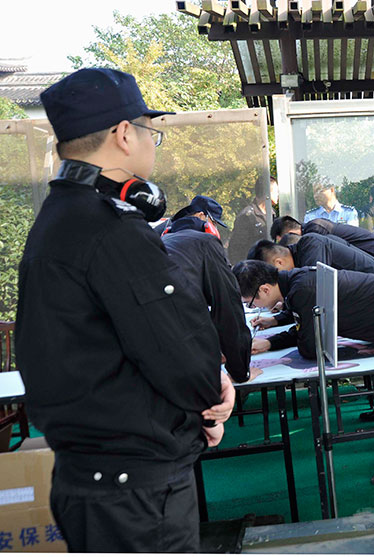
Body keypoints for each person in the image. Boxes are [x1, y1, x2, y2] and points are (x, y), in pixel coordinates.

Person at [15, 68, 234, 553]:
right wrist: (211, 396)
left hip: (91, 478)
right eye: (150, 132)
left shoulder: (57, 220)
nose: (153, 143)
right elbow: (172, 342)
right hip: (135, 491)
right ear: (123, 134)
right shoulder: (111, 229)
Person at [232, 261, 374, 502]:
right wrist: (275, 341)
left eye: (251, 303)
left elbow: (311, 345)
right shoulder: (296, 284)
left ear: (265, 289)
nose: (254, 308)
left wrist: (280, 340)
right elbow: (308, 332)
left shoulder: (302, 289)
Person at [162, 196, 262, 384]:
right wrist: (241, 372)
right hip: (184, 354)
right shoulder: (204, 241)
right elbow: (228, 309)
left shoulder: (161, 238)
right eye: (214, 222)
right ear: (202, 216)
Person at [271, 215, 374, 279]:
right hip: (373, 260)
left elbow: (315, 274)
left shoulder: (313, 233)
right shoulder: (312, 228)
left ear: (290, 233)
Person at [228, 173, 274, 264]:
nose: (278, 195)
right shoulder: (247, 216)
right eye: (276, 191)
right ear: (267, 193)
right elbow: (236, 249)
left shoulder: (272, 214)